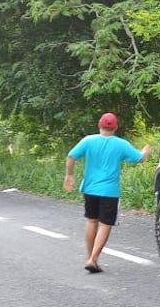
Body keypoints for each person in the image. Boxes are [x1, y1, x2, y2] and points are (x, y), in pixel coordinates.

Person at [64, 112, 152, 273]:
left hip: (90, 188)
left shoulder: (88, 140)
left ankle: (90, 258)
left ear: (99, 124)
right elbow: (139, 158)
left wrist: (69, 175)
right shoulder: (121, 144)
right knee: (105, 224)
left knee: (92, 221)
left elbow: (71, 156)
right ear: (116, 127)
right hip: (109, 191)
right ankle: (93, 259)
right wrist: (145, 151)